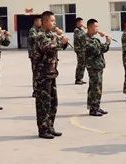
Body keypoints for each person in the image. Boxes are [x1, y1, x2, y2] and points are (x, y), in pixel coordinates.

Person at [32, 11, 69, 139]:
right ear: (45, 21)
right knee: (43, 103)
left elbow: (59, 46)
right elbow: (47, 47)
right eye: (52, 21)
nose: (54, 23)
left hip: (51, 73)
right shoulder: (40, 35)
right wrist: (61, 42)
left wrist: (64, 42)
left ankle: (50, 126)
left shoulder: (51, 34)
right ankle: (43, 129)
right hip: (42, 74)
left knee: (53, 103)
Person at [84, 19, 111, 117]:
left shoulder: (95, 39)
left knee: (98, 87)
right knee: (94, 87)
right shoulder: (85, 39)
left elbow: (103, 49)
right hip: (93, 66)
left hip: (98, 66)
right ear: (89, 27)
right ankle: (93, 109)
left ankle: (97, 106)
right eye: (95, 27)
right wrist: (107, 42)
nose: (97, 29)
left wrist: (106, 42)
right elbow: (97, 50)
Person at [28, 15, 42, 97]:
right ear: (36, 22)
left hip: (39, 54)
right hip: (34, 55)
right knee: (36, 73)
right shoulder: (32, 30)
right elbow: (35, 38)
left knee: (40, 73)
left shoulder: (39, 30)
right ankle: (35, 91)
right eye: (40, 21)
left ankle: (39, 90)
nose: (41, 23)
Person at [73, 17, 87, 85]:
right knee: (80, 64)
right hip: (79, 50)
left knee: (83, 64)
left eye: (82, 22)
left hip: (83, 49)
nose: (82, 23)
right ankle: (78, 79)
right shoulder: (77, 30)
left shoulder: (81, 30)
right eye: (81, 22)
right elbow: (82, 37)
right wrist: (87, 30)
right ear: (77, 23)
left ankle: (80, 78)